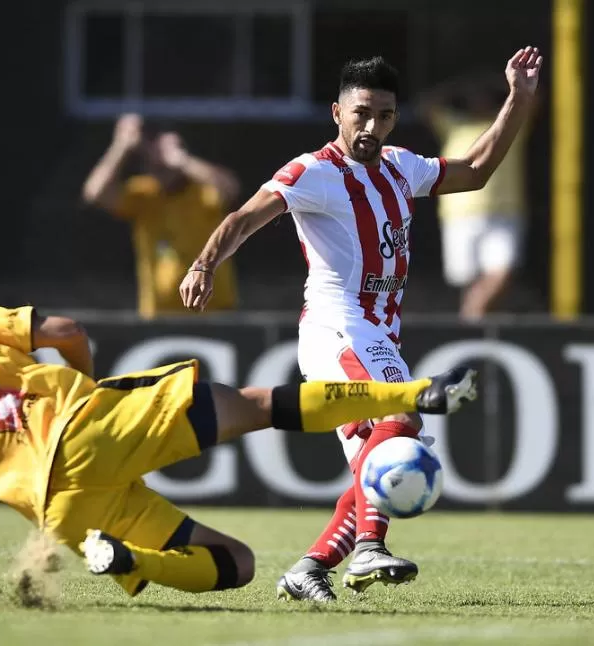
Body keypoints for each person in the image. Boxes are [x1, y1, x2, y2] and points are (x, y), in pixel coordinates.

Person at [0, 273, 477, 601]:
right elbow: (67, 330)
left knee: (232, 563)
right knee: (259, 407)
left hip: (61, 509)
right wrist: (90, 393)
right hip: (90, 424)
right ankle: (411, 394)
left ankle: (130, 561)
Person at [180, 48, 541, 601]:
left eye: (385, 115)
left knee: (384, 455)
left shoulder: (400, 165)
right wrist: (205, 263)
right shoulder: (313, 172)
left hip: (375, 335)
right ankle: (370, 548)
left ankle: (310, 568)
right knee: (401, 419)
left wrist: (519, 97)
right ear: (337, 113)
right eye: (362, 113)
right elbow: (244, 217)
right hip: (338, 330)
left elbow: (475, 171)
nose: (372, 126)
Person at [82, 115, 240, 318]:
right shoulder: (144, 194)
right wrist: (121, 146)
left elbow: (230, 189)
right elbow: (94, 193)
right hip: (159, 315)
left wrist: (181, 159)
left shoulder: (202, 192)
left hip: (214, 312)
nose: (160, 162)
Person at [417, 74, 532, 319]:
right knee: (468, 281)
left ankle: (471, 319)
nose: (478, 101)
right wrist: (459, 87)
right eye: (474, 98)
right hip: (459, 214)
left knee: (502, 272)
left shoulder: (507, 127)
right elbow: (426, 105)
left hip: (504, 212)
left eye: (483, 97)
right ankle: (475, 331)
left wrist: (500, 84)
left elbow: (534, 101)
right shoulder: (454, 125)